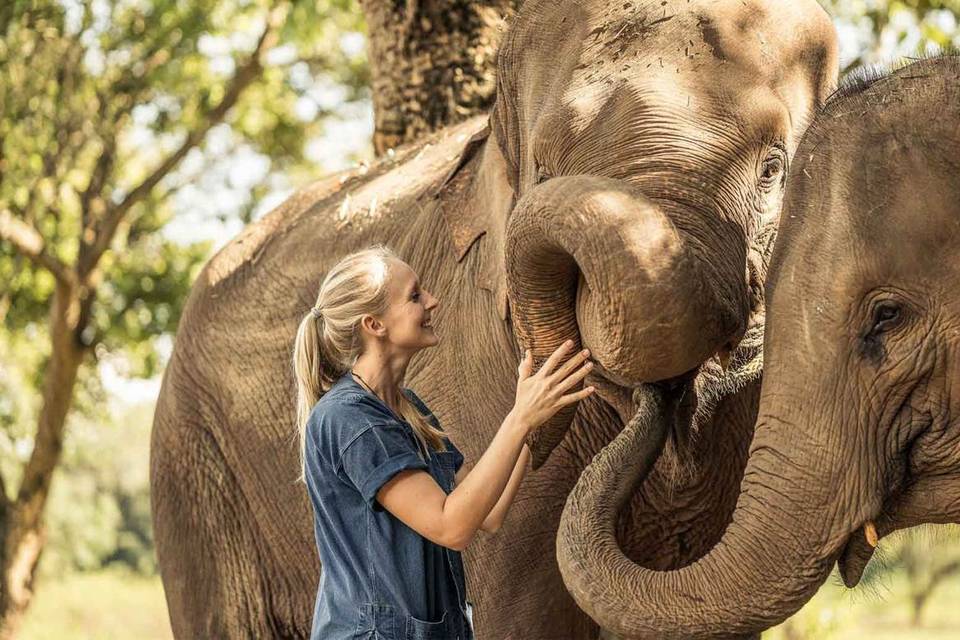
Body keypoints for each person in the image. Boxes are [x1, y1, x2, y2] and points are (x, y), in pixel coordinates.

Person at [292, 244, 595, 640]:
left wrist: (532, 422)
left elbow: (488, 513)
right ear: (374, 324)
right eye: (415, 296)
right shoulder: (350, 420)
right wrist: (519, 418)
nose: (432, 302)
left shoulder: (406, 408)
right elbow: (451, 526)